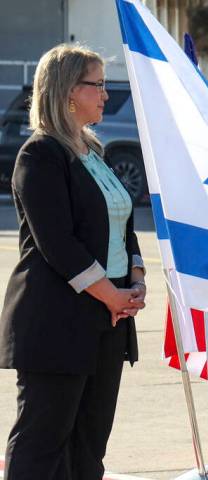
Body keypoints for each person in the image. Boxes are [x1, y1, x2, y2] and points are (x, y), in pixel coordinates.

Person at [0, 44, 147, 479]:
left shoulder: (94, 152)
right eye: (97, 85)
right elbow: (58, 243)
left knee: (88, 447)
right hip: (58, 322)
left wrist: (135, 279)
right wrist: (112, 295)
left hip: (107, 320)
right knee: (42, 444)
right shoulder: (40, 154)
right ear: (66, 92)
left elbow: (122, 224)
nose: (106, 94)